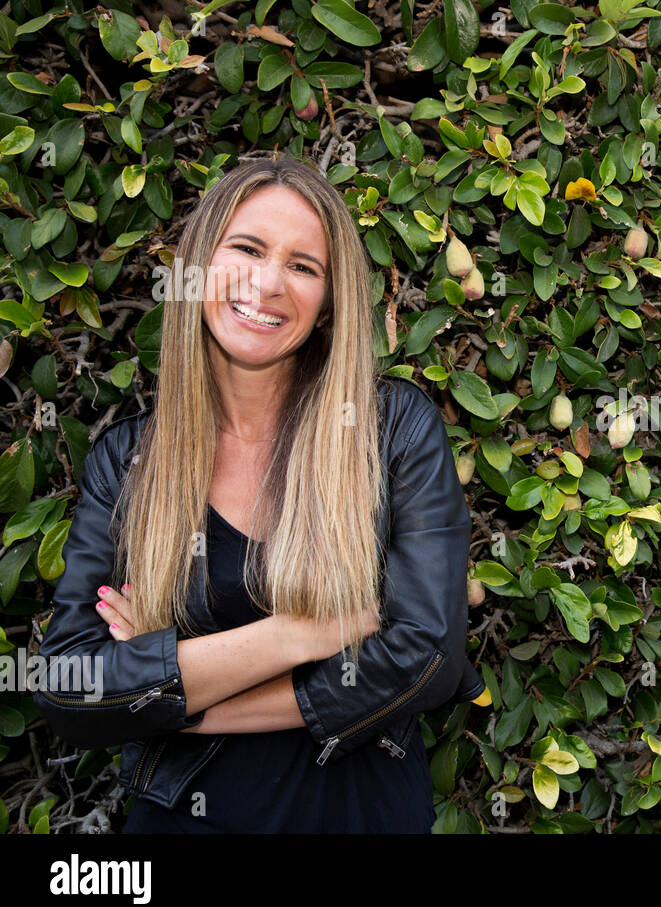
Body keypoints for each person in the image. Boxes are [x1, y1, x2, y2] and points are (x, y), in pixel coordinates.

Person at [32, 154, 487, 833]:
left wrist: (182, 695)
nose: (269, 282)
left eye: (304, 266)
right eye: (246, 248)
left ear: (330, 299)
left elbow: (426, 659)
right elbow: (70, 690)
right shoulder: (128, 462)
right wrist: (306, 632)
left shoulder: (390, 430)